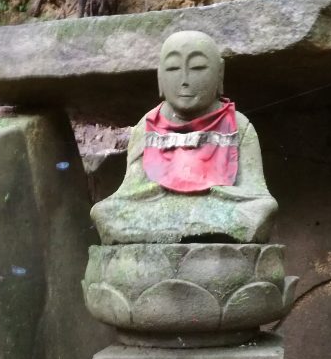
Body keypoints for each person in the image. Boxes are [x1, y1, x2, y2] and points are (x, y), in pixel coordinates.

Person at [91, 30, 277, 244]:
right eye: (173, 68)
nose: (184, 80)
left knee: (261, 210)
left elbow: (254, 193)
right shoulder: (148, 125)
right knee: (105, 212)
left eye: (197, 68)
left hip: (216, 205)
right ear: (159, 76)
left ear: (220, 73)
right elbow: (132, 190)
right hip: (158, 207)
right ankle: (194, 229)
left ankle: (189, 229)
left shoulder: (239, 125)